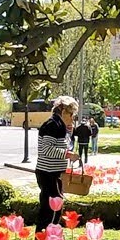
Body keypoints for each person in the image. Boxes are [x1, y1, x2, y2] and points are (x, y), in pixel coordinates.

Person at [36, 96, 80, 232]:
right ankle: (43, 235)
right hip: (49, 173)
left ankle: (49, 234)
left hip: (55, 172)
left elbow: (63, 145)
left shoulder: (60, 125)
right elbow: (46, 149)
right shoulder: (52, 125)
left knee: (54, 206)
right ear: (63, 111)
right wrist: (67, 154)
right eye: (71, 114)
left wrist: (69, 132)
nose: (72, 118)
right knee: (50, 208)